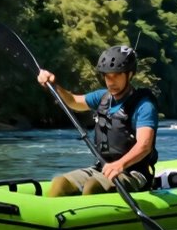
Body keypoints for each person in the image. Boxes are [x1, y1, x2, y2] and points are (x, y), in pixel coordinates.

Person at [36, 45, 159, 197]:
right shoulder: (102, 97)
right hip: (102, 167)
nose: (111, 81)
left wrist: (120, 164)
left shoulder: (144, 105)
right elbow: (73, 101)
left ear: (130, 74)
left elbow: (144, 145)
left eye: (117, 75)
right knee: (60, 182)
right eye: (107, 76)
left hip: (133, 172)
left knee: (93, 186)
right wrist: (53, 85)